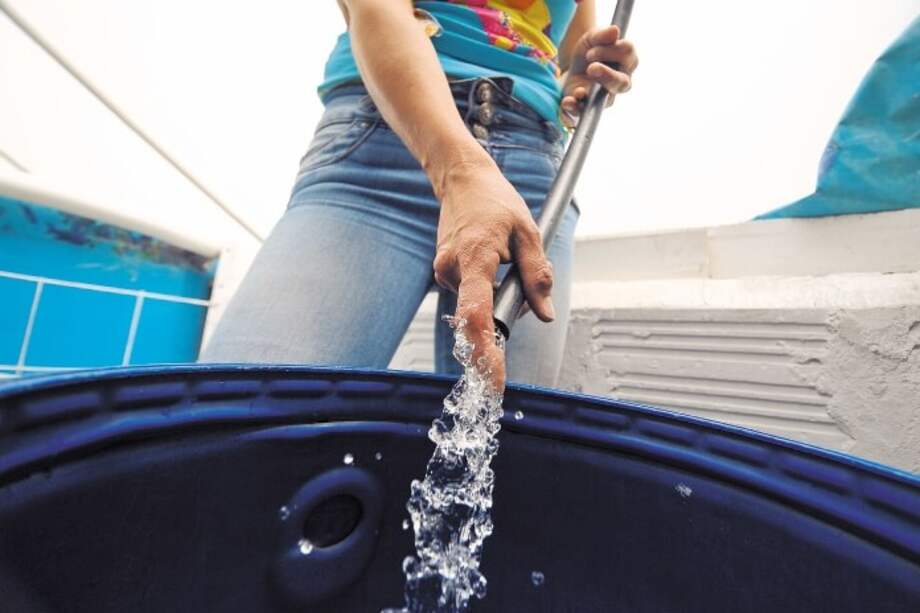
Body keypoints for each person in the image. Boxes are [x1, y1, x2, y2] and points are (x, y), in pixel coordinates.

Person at [201, 0, 639, 391]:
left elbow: (560, 53)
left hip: (531, 167)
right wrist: (462, 172)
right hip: (379, 153)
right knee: (245, 411)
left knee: (502, 453)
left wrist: (579, 73)